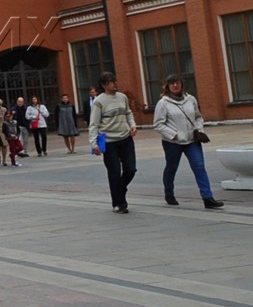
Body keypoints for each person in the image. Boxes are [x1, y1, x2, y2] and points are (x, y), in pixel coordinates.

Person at [153, 76, 225, 209]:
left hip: (192, 140)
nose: (175, 85)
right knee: (172, 167)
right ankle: (169, 193)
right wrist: (174, 135)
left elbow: (198, 117)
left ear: (182, 84)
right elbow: (158, 125)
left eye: (177, 83)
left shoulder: (190, 99)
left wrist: (199, 129)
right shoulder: (163, 103)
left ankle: (207, 198)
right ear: (167, 86)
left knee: (199, 167)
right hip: (172, 143)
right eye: (172, 84)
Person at [89, 72, 137, 212]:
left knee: (131, 169)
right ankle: (119, 203)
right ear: (104, 85)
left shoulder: (122, 97)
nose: (115, 83)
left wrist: (132, 125)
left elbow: (128, 112)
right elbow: (94, 124)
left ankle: (120, 189)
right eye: (111, 82)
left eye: (115, 81)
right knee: (114, 171)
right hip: (109, 142)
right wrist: (94, 143)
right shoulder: (99, 101)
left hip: (125, 138)